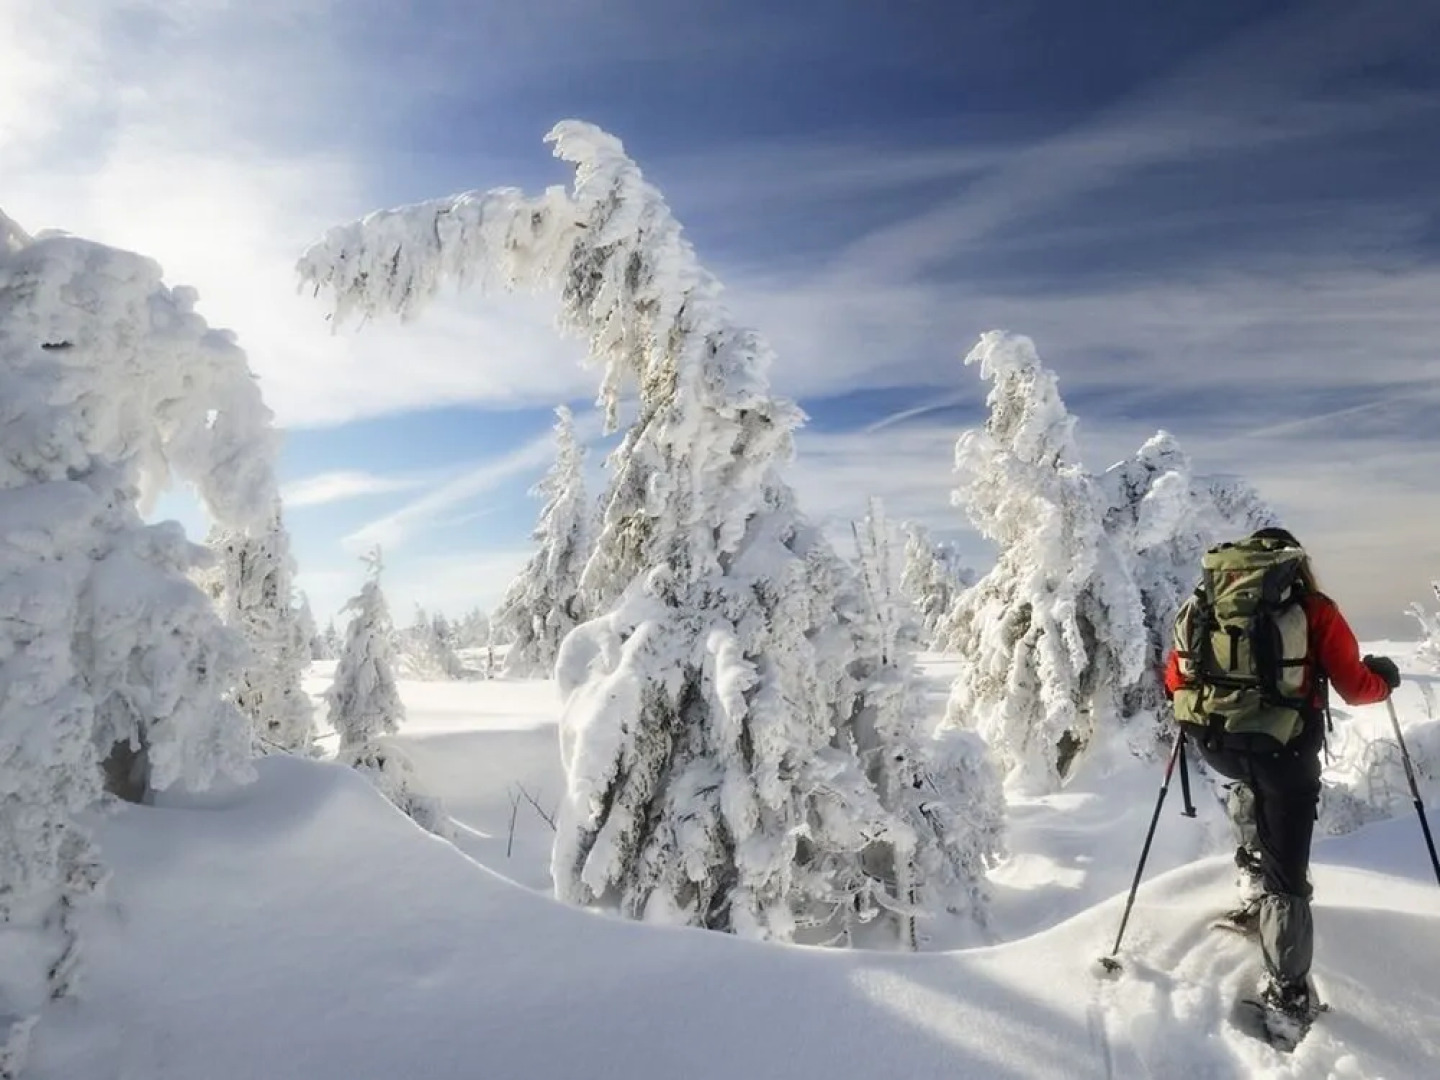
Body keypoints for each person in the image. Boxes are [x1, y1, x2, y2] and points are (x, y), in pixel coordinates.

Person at [1163, 526, 1399, 1021]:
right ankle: (1287, 996)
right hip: (1284, 750)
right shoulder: (1314, 609)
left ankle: (1253, 883)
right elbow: (1357, 689)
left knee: (1250, 787)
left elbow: (1174, 679)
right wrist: (1386, 681)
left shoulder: (1205, 605)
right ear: (1293, 565)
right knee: (1289, 877)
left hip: (1218, 744)